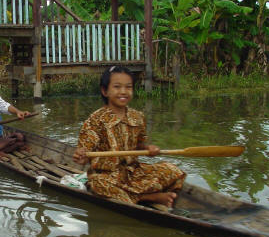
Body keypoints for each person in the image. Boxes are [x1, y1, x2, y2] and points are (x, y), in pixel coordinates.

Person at [73, 66, 186, 209]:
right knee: (98, 185)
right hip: (106, 176)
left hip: (133, 173)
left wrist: (149, 150)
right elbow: (84, 153)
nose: (123, 92)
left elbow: (139, 146)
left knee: (173, 170)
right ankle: (148, 197)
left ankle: (134, 196)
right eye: (117, 87)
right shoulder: (95, 120)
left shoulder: (138, 117)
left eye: (128, 87)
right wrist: (81, 156)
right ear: (104, 91)